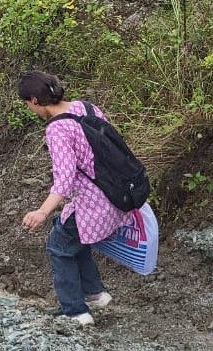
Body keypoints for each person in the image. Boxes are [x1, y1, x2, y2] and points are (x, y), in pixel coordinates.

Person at [18, 71, 130, 326]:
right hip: (117, 196)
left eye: (27, 104)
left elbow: (64, 180)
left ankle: (75, 312)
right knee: (71, 236)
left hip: (94, 204)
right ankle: (95, 294)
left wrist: (41, 212)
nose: (29, 109)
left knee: (58, 245)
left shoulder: (57, 129)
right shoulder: (87, 108)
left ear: (34, 100)